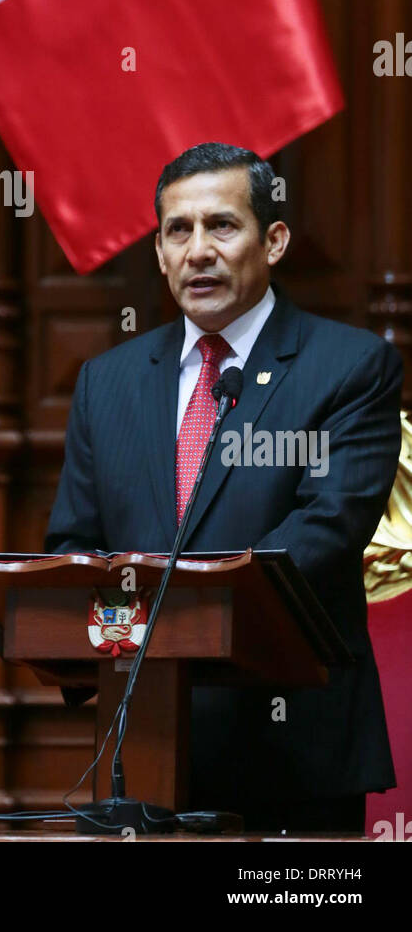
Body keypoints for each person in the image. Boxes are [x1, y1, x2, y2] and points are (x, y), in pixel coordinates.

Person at [45, 142, 403, 834]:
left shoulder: (349, 367)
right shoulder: (107, 382)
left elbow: (320, 535)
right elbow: (73, 546)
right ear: (157, 252)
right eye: (178, 230)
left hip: (289, 758)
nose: (197, 250)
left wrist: (165, 625)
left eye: (221, 226)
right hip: (138, 754)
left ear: (272, 241)